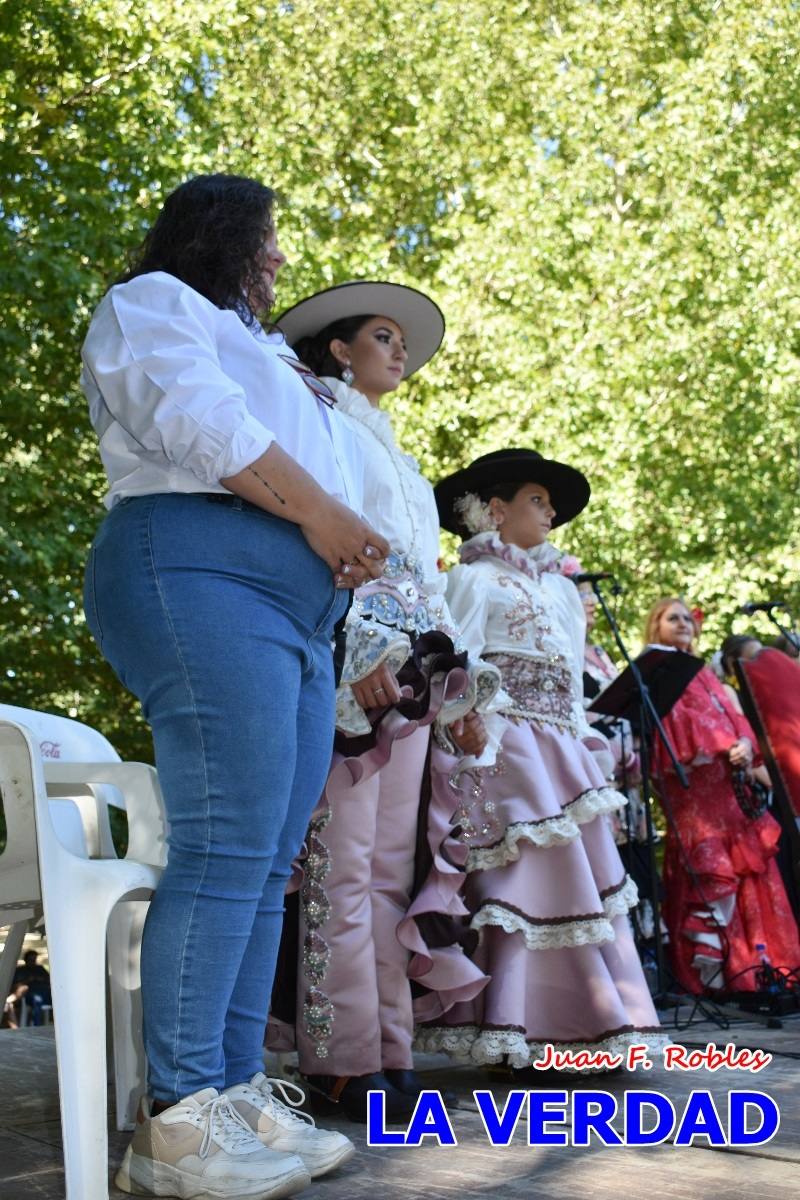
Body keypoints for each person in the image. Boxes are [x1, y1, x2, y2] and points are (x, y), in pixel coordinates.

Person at [82, 174, 391, 1199]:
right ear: (218, 233)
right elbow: (196, 423)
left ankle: (232, 1092)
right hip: (197, 569)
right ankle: (175, 1128)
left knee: (265, 864)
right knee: (226, 845)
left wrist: (342, 539)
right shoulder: (153, 305)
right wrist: (321, 519)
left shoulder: (266, 351)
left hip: (295, 612)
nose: (278, 261)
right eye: (266, 239)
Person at [270, 282, 496, 1120]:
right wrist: (355, 650)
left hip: (417, 674)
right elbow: (320, 538)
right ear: (337, 349)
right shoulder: (316, 418)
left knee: (391, 871)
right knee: (342, 868)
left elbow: (426, 587)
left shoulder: (401, 457)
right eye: (380, 336)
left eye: (402, 341)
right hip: (352, 667)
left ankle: (389, 1050)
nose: (398, 352)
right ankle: (338, 1055)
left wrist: (464, 686)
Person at [414, 449, 665, 1070]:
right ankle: (509, 1027)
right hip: (506, 747)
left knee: (584, 882)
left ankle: (593, 1023)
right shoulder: (469, 579)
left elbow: (573, 678)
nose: (550, 511)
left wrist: (585, 745)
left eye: (551, 504)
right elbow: (456, 667)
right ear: (494, 510)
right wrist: (464, 731)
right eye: (536, 499)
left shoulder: (561, 589)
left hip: (560, 748)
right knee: (518, 882)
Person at [644, 598, 800, 994]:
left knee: (748, 871)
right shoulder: (655, 670)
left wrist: (745, 746)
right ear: (655, 626)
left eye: (687, 618)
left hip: (730, 790)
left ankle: (755, 969)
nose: (682, 624)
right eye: (672, 618)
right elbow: (669, 731)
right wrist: (718, 745)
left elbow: (739, 723)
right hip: (694, 793)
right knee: (711, 869)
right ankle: (711, 977)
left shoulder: (707, 675)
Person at [11, 950, 52, 1025]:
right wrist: (28, 980)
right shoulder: (20, 970)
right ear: (25, 960)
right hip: (29, 995)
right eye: (30, 960)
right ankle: (37, 1025)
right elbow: (14, 985)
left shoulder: (40, 969)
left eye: (34, 959)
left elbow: (50, 980)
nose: (32, 962)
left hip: (45, 992)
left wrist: (40, 979)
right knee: (37, 999)